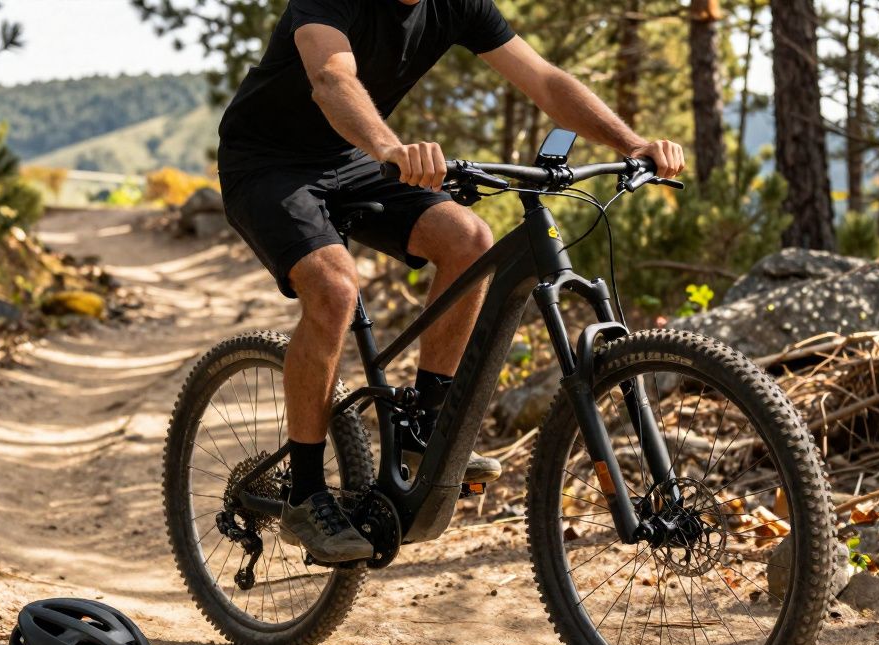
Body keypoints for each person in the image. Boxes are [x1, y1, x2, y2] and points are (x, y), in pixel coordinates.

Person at [218, 0, 685, 562]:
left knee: (469, 240)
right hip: (266, 164)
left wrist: (630, 143)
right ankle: (306, 491)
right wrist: (390, 148)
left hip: (351, 158)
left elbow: (546, 81)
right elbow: (330, 77)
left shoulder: (458, 3)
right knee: (335, 289)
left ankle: (424, 427)